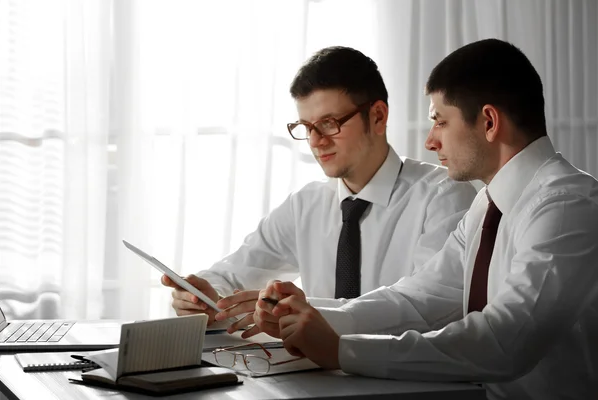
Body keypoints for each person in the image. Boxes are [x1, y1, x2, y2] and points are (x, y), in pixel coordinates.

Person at [256, 39, 598, 400]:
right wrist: (309, 314)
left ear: (489, 122)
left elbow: (504, 340)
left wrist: (342, 350)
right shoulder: (486, 204)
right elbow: (419, 299)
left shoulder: (566, 205)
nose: (430, 142)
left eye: (440, 121)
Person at [162, 46, 477, 337]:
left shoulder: (445, 197)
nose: (315, 141)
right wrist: (202, 299)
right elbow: (230, 277)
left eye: (329, 123)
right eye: (305, 127)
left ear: (378, 116)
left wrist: (310, 312)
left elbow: (427, 306)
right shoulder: (306, 206)